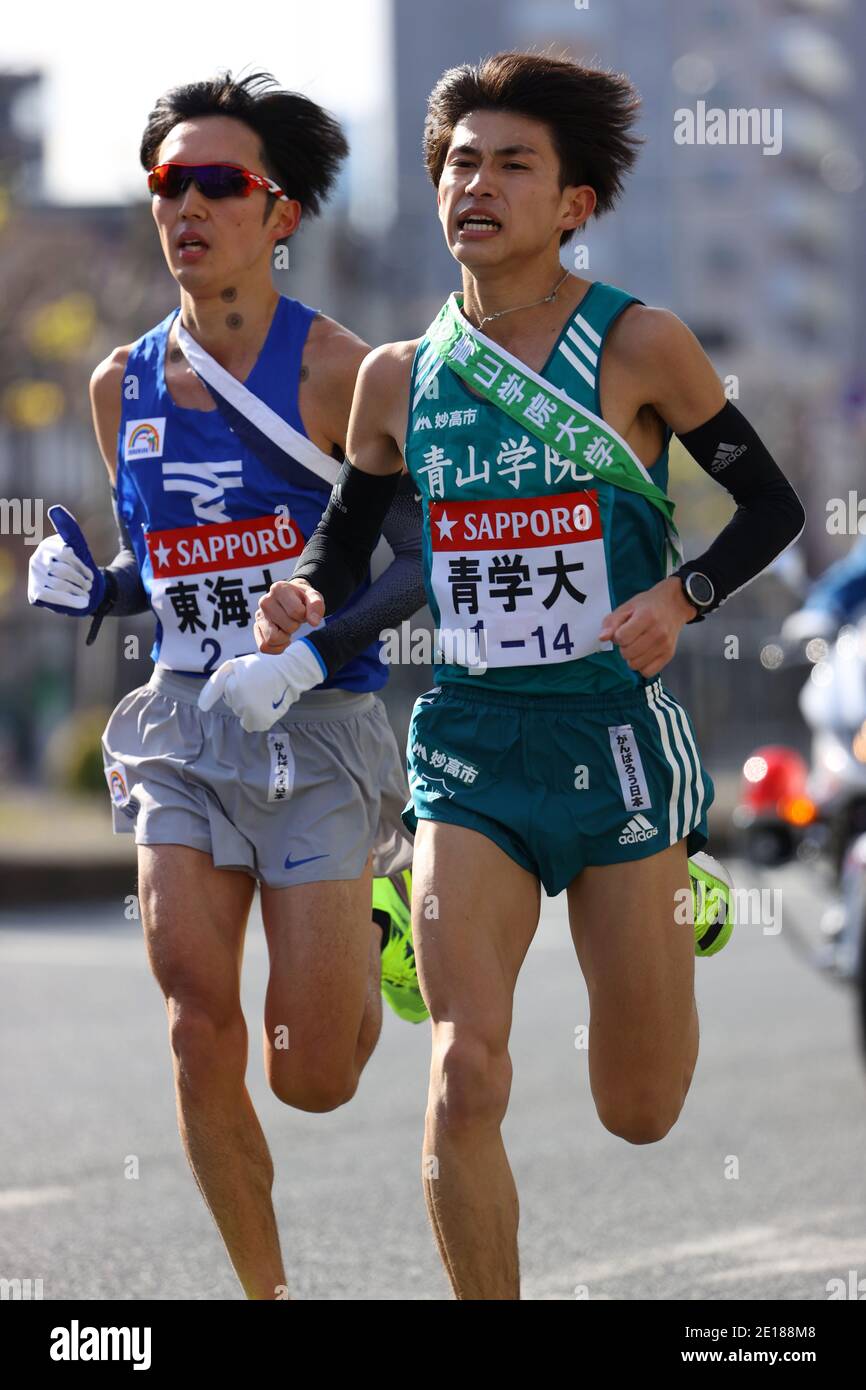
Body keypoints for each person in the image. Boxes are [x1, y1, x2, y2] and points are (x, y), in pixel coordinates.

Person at [215, 51, 806, 1299]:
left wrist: (683, 592)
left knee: (638, 1107)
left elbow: (769, 503)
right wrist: (305, 590)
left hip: (613, 743)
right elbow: (347, 532)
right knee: (465, 1069)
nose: (474, 184)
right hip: (469, 745)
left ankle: (670, 882)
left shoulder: (641, 344)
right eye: (457, 163)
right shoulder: (396, 376)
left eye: (510, 164)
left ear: (573, 201)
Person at [27, 70, 428, 1300]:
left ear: (282, 212)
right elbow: (166, 571)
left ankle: (374, 918)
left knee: (312, 1070)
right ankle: (267, 1294)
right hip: (183, 726)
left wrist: (305, 651)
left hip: (318, 726)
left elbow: (420, 562)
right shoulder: (118, 386)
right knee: (195, 1016)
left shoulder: (347, 372)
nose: (188, 205)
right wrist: (97, 590)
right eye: (168, 183)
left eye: (221, 184)